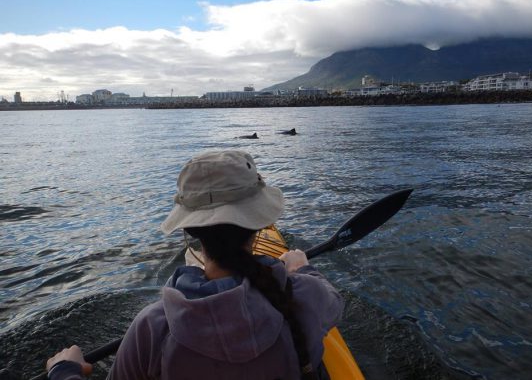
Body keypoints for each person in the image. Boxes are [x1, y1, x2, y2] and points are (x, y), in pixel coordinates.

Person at [46, 150, 343, 380]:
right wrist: (301, 269)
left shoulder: (153, 327)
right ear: (259, 224)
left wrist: (64, 371)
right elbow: (333, 303)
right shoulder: (306, 295)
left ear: (190, 231)